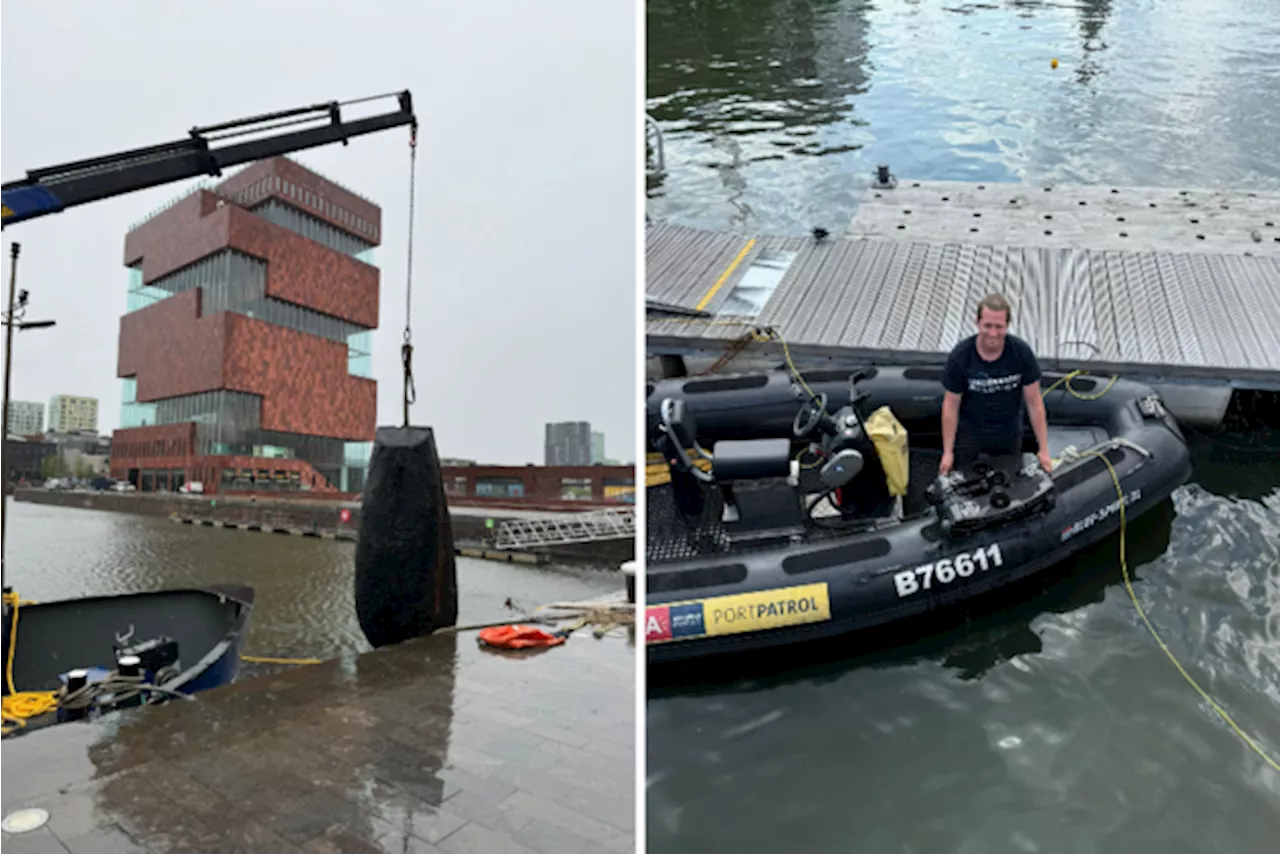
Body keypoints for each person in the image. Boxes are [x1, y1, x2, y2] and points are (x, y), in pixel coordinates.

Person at [939, 292, 1052, 475]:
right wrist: (947, 452)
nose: (993, 333)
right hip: (971, 431)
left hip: (1009, 431)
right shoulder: (960, 356)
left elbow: (1034, 402)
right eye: (988, 326)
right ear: (977, 323)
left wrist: (1044, 450)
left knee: (1009, 481)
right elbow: (951, 405)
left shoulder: (1021, 353)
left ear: (1007, 325)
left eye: (999, 327)